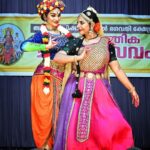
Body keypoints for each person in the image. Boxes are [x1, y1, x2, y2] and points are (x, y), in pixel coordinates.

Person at [53, 6, 140, 150]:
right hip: (77, 89)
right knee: (74, 126)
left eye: (81, 23)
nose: (78, 26)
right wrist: (77, 57)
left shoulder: (106, 43)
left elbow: (117, 68)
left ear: (92, 24)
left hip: (99, 89)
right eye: (78, 23)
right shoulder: (77, 42)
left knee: (108, 123)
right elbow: (57, 57)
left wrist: (132, 89)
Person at [20, 0, 85, 149]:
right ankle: (45, 146)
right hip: (45, 78)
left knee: (63, 114)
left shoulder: (66, 35)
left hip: (64, 79)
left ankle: (59, 145)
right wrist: (45, 46)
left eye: (59, 15)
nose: (56, 19)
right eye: (53, 15)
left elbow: (81, 45)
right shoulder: (42, 34)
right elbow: (23, 46)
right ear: (45, 16)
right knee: (46, 114)